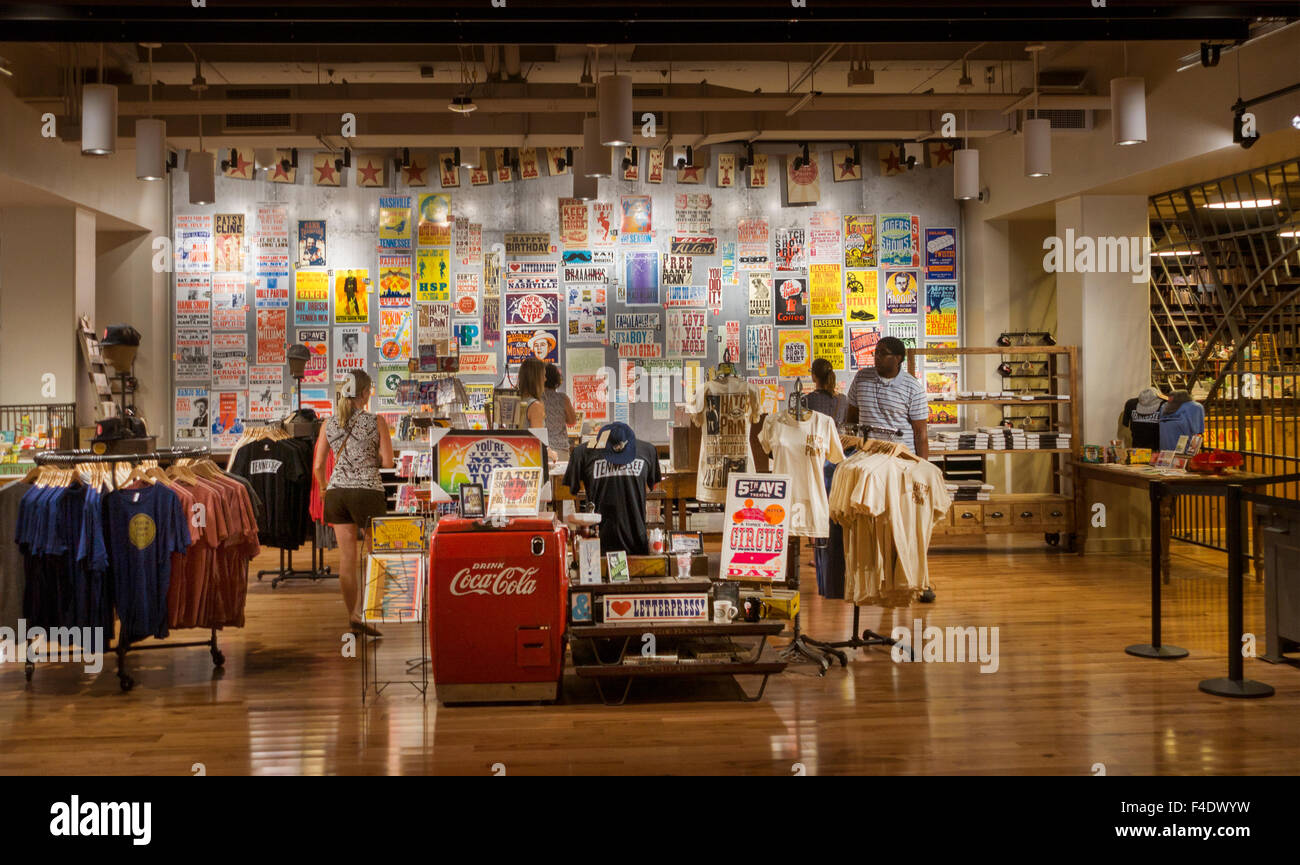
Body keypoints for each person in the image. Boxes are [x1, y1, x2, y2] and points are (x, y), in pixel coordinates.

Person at [313, 369, 394, 638]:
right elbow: (388, 462)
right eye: (370, 390)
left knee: (347, 559)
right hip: (368, 491)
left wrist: (325, 489)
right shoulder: (376, 421)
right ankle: (369, 613)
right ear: (364, 393)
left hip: (337, 493)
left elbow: (318, 465)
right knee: (376, 556)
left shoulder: (329, 423)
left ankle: (353, 615)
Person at [845, 336, 929, 458]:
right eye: (876, 352)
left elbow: (920, 433)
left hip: (900, 457)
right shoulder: (861, 378)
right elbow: (851, 418)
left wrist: (922, 466)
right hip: (867, 456)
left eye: (883, 353)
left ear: (898, 358)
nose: (877, 356)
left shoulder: (913, 388)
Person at [807, 358, 848, 599]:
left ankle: (818, 554)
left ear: (814, 376)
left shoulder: (807, 401)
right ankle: (834, 555)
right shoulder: (841, 401)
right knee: (833, 511)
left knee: (817, 508)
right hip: (835, 458)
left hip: (813, 458)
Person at [543, 363, 578, 463]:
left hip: (543, 448)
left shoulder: (537, 399)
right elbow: (572, 421)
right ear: (557, 380)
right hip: (561, 448)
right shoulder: (563, 398)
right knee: (561, 478)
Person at [515, 357, 548, 430]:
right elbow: (538, 439)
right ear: (536, 378)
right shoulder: (535, 406)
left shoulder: (516, 402)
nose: (545, 379)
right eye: (544, 375)